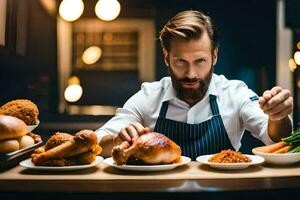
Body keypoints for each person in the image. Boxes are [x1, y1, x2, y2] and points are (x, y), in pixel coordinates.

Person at [96, 10, 293, 159]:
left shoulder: (235, 93)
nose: (191, 74)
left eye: (200, 61)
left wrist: (278, 116)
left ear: (214, 56)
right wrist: (116, 140)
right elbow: (96, 143)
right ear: (166, 57)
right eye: (180, 61)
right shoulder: (148, 97)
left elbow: (275, 139)